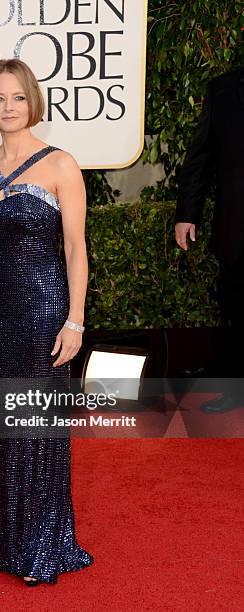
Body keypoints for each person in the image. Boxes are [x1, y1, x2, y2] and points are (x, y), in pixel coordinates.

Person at [0, 58, 94, 585]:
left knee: (34, 427)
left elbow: (76, 249)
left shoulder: (61, 165)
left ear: (32, 101)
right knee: (0, 430)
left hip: (42, 310)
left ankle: (43, 546)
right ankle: (10, 543)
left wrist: (74, 321)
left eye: (16, 98)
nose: (7, 108)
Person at [175, 66, 244, 413]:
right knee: (233, 310)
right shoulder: (223, 89)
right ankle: (234, 391)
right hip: (237, 227)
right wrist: (187, 214)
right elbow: (200, 158)